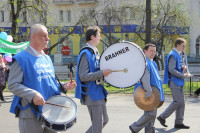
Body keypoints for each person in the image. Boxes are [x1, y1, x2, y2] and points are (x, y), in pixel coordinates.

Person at [8, 24, 77, 133]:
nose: (47, 39)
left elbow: (50, 83)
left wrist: (64, 85)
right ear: (33, 37)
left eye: (47, 36)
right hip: (30, 114)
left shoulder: (47, 58)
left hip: (51, 112)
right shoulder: (21, 58)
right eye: (43, 36)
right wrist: (33, 94)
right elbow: (13, 85)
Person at [75, 26, 112, 133]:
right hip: (92, 94)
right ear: (92, 37)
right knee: (97, 127)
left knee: (105, 120)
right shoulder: (86, 53)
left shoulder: (94, 52)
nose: (100, 38)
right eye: (99, 35)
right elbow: (83, 76)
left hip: (98, 92)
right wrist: (101, 73)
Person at [129, 44, 164, 133]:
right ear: (145, 51)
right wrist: (148, 92)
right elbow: (145, 79)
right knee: (151, 114)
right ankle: (135, 127)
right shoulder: (145, 62)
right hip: (148, 93)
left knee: (151, 115)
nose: (153, 53)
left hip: (154, 93)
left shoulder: (152, 62)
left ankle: (150, 131)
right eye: (151, 51)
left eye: (154, 51)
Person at [157, 38, 190, 129]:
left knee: (181, 103)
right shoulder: (173, 54)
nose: (184, 47)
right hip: (174, 82)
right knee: (178, 101)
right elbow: (171, 70)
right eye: (183, 45)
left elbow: (175, 67)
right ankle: (162, 117)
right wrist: (183, 75)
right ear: (178, 45)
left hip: (178, 81)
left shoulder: (177, 54)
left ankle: (179, 122)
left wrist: (182, 68)